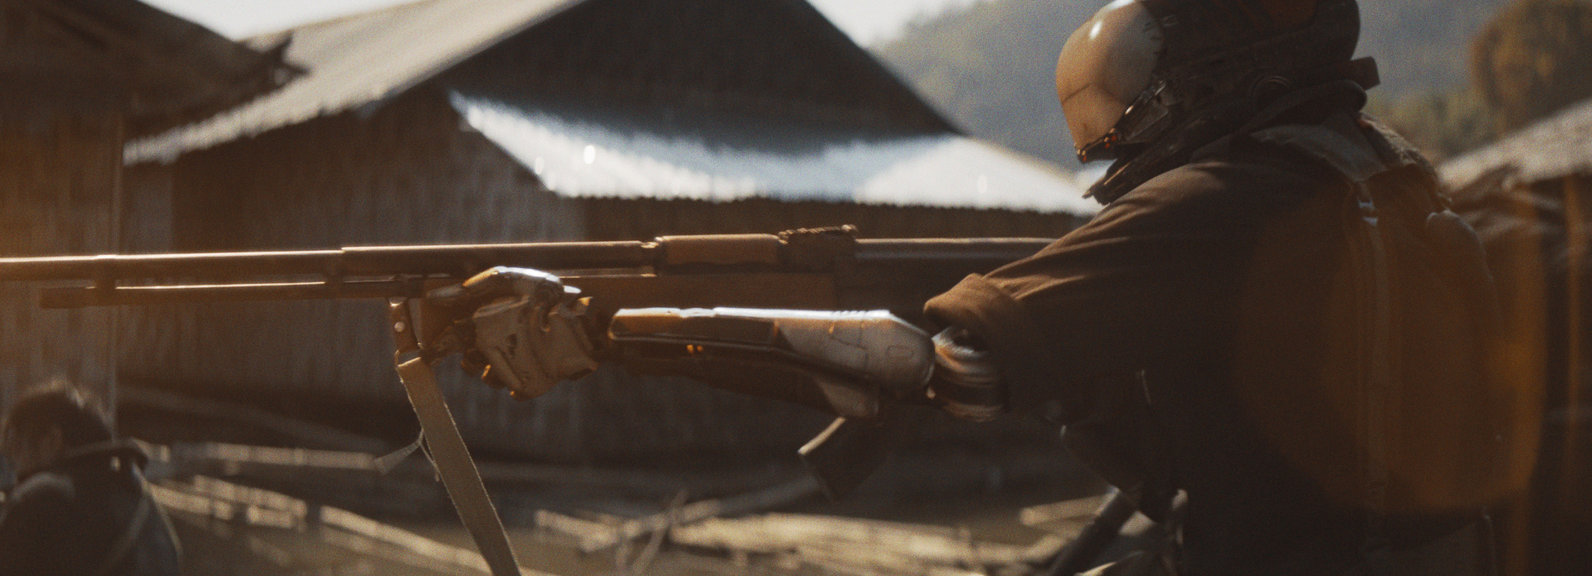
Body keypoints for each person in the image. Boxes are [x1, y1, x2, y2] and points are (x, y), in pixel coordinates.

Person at [429, 0, 1528, 573]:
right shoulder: (1383, 174)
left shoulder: (1220, 202)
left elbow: (928, 364)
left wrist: (597, 330)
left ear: (1206, 58)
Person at [0, 383, 181, 576]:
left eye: (16, 450)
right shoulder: (147, 508)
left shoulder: (39, 499)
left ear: (52, 441)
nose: (15, 470)